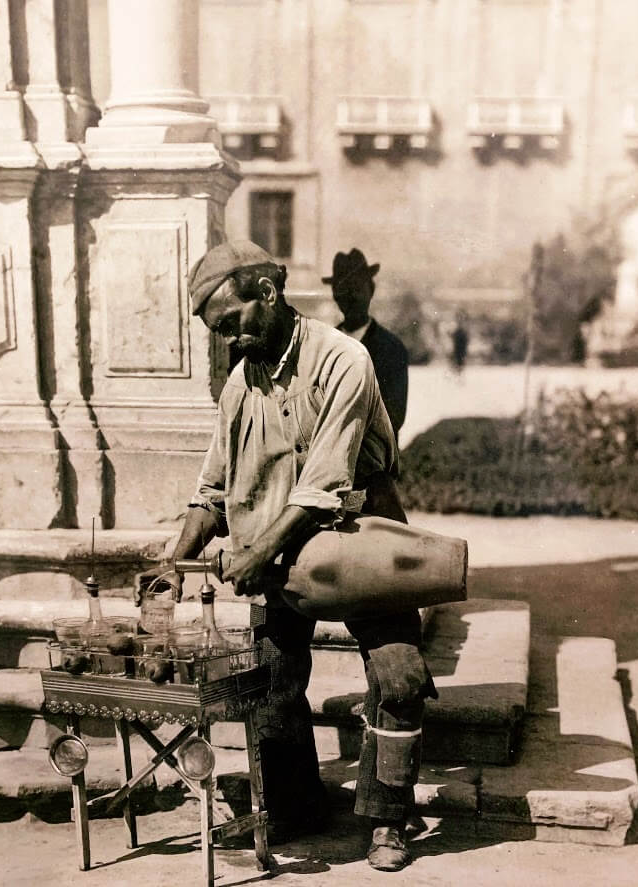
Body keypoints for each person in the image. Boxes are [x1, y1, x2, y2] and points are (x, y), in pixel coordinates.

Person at [141, 240, 435, 873]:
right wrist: (173, 562)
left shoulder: (343, 359)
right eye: (217, 334)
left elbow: (326, 482)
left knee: (399, 674)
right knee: (271, 681)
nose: (229, 343)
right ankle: (299, 806)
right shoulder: (238, 388)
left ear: (267, 294)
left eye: (231, 325)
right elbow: (212, 493)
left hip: (362, 531)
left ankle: (387, 819)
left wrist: (254, 552)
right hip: (280, 550)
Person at [323, 248, 409, 438]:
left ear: (371, 290)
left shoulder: (391, 348)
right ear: (335, 295)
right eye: (343, 290)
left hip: (374, 460)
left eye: (357, 289)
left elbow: (393, 417)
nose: (351, 297)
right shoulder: (324, 346)